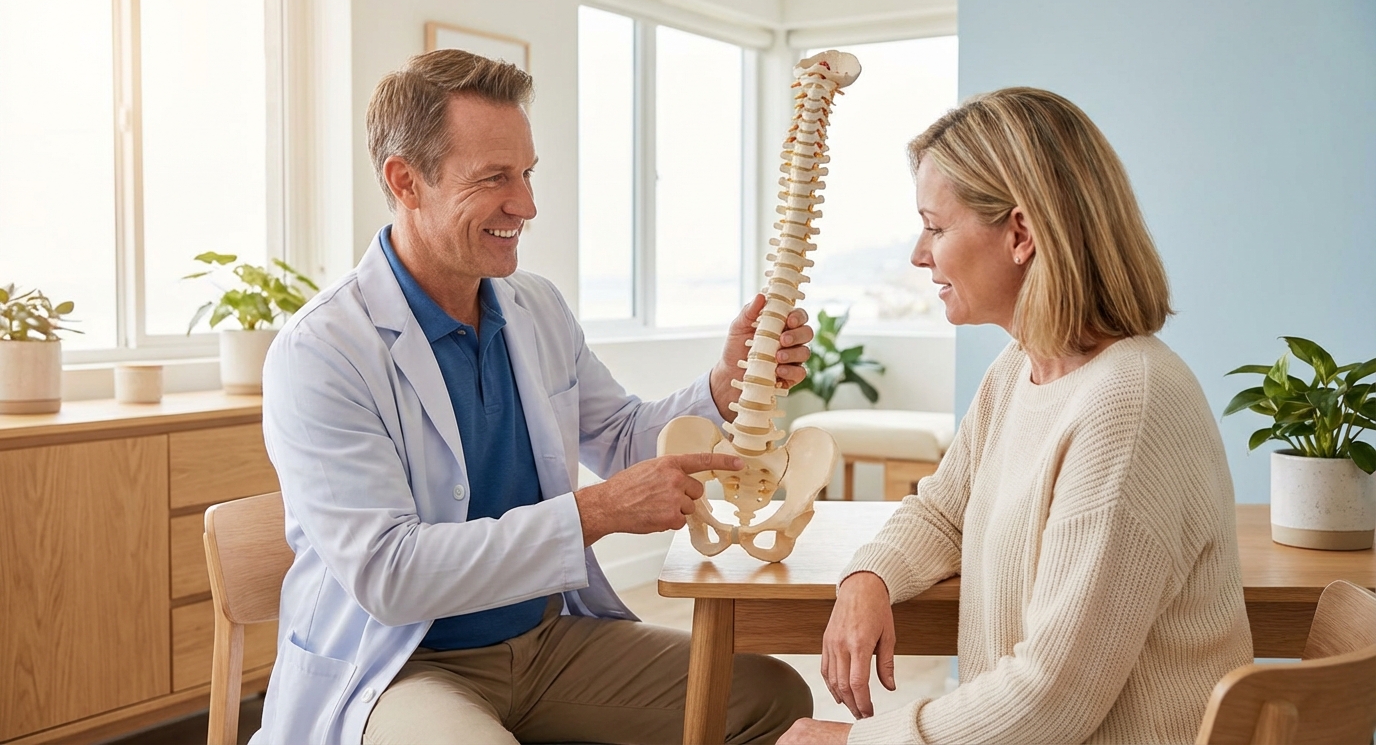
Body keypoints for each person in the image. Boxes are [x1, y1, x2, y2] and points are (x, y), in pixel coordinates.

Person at [253, 49, 813, 745]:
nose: (526, 204)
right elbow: (391, 576)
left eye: (525, 173)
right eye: (494, 178)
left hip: (546, 642)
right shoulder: (322, 352)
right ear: (407, 181)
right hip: (403, 665)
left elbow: (621, 437)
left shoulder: (535, 307)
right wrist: (594, 514)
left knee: (768, 694)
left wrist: (725, 387)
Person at [780, 88, 1252, 745]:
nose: (921, 255)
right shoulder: (1019, 370)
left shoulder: (1130, 405)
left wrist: (855, 742)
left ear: (1021, 233)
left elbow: (1051, 699)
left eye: (936, 227)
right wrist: (869, 575)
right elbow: (945, 509)